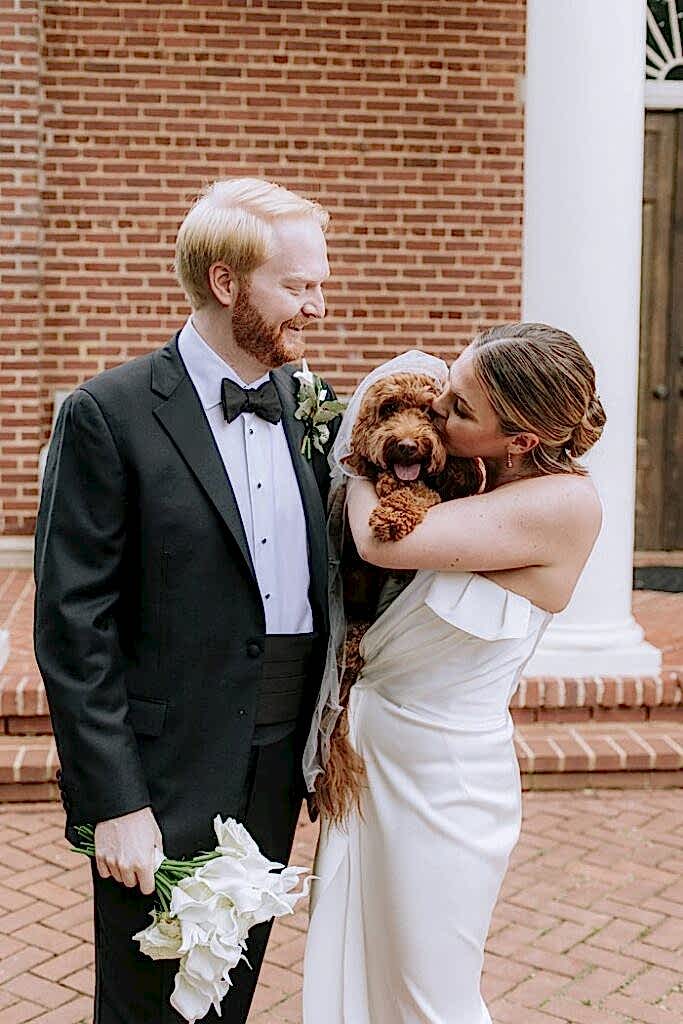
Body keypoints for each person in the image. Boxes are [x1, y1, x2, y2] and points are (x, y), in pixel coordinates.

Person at [34, 177, 339, 1023]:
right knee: (146, 1006)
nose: (315, 308)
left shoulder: (305, 407)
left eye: (320, 284)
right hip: (163, 774)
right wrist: (115, 804)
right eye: (297, 286)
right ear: (226, 282)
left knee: (225, 995)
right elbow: (72, 627)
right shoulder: (109, 413)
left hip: (279, 763)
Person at [303, 323, 605, 1023]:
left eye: (458, 410)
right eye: (446, 390)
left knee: (427, 991)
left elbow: (381, 541)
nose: (436, 414)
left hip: (445, 782)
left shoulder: (564, 504)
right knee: (352, 966)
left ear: (521, 440)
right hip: (369, 759)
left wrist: (357, 454)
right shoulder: (464, 476)